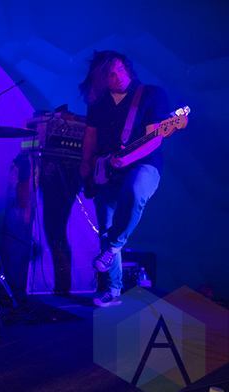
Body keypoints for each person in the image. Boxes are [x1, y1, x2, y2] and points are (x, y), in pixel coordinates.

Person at [78, 50, 169, 307]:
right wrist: (86, 160)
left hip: (144, 165)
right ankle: (113, 289)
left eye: (120, 69)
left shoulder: (151, 94)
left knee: (135, 191)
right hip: (107, 170)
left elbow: (154, 138)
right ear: (100, 79)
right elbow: (90, 135)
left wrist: (128, 159)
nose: (118, 76)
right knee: (106, 227)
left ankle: (113, 247)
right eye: (110, 74)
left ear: (127, 68)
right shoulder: (98, 101)